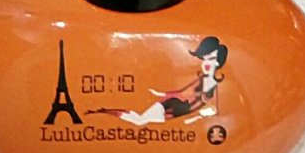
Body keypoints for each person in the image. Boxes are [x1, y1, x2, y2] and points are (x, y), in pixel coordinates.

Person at [86, 36, 228, 126]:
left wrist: (195, 118)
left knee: (140, 121)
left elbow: (211, 109)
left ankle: (104, 110)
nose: (206, 63)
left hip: (180, 110)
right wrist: (161, 94)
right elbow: (183, 93)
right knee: (140, 120)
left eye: (211, 59)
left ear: (218, 62)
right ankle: (105, 111)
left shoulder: (214, 85)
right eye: (204, 59)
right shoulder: (202, 80)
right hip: (173, 104)